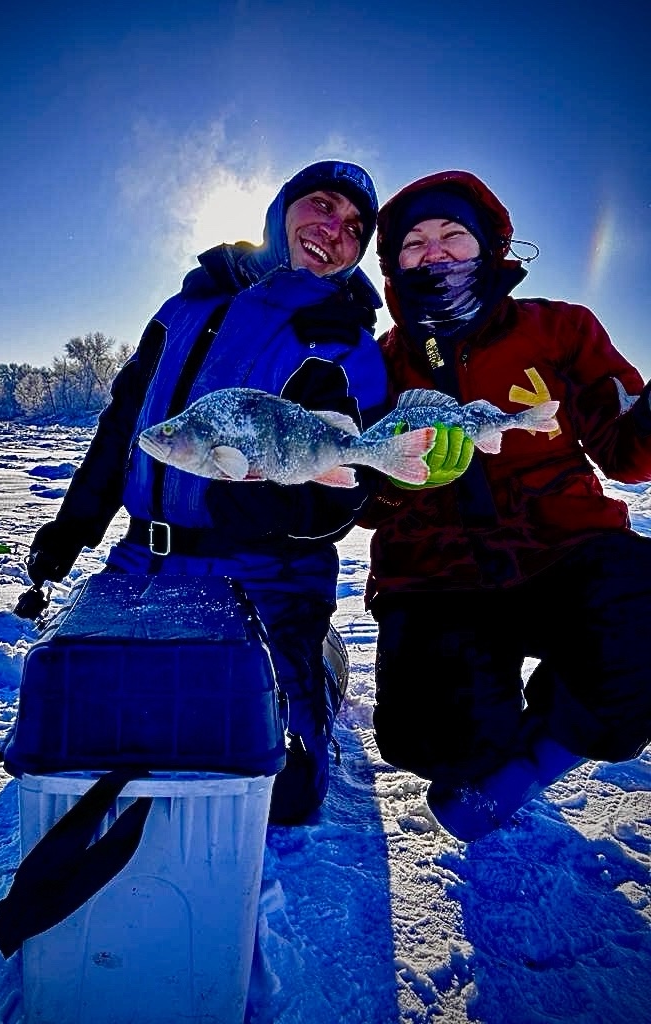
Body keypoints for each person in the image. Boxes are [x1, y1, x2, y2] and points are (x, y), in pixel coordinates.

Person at [21, 160, 394, 826]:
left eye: (354, 228)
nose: (333, 230)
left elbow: (340, 495)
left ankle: (319, 667)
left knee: (279, 791)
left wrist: (234, 501)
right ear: (281, 210)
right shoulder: (183, 309)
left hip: (269, 578)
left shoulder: (348, 348)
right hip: (144, 562)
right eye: (322, 205)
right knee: (83, 739)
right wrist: (71, 528)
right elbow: (122, 431)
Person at [360, 169, 651, 841]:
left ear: (492, 248)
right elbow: (362, 502)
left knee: (637, 652)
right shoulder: (378, 364)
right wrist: (396, 476)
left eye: (453, 236)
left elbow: (628, 453)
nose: (434, 253)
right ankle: (480, 725)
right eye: (414, 243)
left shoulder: (559, 330)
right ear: (392, 265)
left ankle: (528, 764)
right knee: (429, 739)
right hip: (437, 576)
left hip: (566, 555)